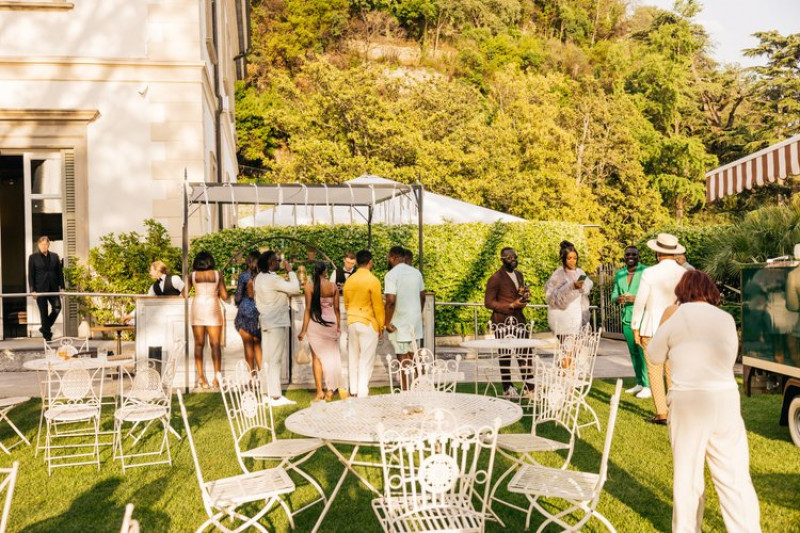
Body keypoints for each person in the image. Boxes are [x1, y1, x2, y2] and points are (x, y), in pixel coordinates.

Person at [647, 271, 761, 533]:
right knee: (734, 476)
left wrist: (666, 320)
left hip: (689, 402)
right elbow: (729, 355)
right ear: (710, 292)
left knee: (688, 475)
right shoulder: (726, 318)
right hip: (725, 399)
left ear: (682, 292)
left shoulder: (676, 317)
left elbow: (654, 355)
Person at [631, 233, 687, 425]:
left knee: (654, 370)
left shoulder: (649, 273)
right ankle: (675, 411)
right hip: (676, 327)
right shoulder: (683, 273)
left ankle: (662, 413)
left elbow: (640, 302)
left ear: (657, 252)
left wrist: (635, 327)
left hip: (652, 327)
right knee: (673, 371)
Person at [484, 247, 533, 399]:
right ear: (502, 260)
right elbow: (488, 303)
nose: (513, 260)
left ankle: (529, 388)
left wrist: (524, 297)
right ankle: (507, 389)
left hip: (519, 320)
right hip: (502, 321)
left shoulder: (519, 275)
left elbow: (517, 295)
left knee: (525, 354)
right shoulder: (495, 278)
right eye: (510, 258)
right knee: (505, 357)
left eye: (515, 257)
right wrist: (511, 305)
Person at [253, 251, 300, 406]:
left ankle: (265, 393)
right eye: (277, 260)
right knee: (275, 360)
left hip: (265, 321)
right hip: (276, 322)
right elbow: (295, 288)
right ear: (271, 263)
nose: (279, 262)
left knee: (267, 359)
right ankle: (275, 396)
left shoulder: (259, 278)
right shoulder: (273, 279)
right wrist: (291, 271)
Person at [298, 262, 344, 402]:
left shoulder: (309, 287)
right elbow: (337, 309)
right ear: (324, 272)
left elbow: (308, 309)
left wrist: (303, 331)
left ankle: (319, 392)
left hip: (315, 324)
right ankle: (330, 390)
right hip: (330, 323)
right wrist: (338, 326)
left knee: (316, 358)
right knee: (331, 356)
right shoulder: (333, 286)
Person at [343, 250, 385, 398]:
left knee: (353, 357)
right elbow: (378, 306)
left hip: (352, 321)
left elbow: (346, 303)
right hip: (367, 322)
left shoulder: (350, 280)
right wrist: (381, 325)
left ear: (357, 262)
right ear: (370, 262)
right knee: (366, 359)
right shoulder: (373, 280)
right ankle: (362, 392)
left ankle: (354, 391)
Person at [610, 246, 651, 399]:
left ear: (638, 256)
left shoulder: (646, 271)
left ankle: (647, 386)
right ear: (624, 256)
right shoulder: (620, 274)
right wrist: (617, 299)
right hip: (627, 318)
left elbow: (652, 294)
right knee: (633, 353)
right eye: (628, 254)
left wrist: (637, 298)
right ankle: (639, 382)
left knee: (642, 352)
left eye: (634, 254)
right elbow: (614, 294)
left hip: (642, 318)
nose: (631, 257)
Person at [384, 246, 426, 388]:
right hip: (414, 320)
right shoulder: (416, 273)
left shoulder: (391, 275)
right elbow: (422, 296)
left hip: (398, 321)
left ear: (392, 257)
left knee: (401, 356)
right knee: (415, 355)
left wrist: (386, 322)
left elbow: (390, 301)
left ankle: (405, 389)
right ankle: (422, 385)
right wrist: (417, 313)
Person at [187, 251, 227, 389]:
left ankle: (201, 377)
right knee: (215, 344)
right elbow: (225, 295)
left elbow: (184, 293)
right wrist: (217, 291)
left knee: (198, 344)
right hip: (212, 308)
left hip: (198, 307)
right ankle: (217, 377)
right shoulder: (218, 274)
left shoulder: (192, 275)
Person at [545, 241, 593, 337]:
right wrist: (571, 287)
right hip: (561, 314)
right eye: (569, 258)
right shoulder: (558, 275)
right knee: (566, 342)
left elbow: (587, 287)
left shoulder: (580, 272)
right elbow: (551, 298)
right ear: (564, 259)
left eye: (575, 258)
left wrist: (582, 287)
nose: (572, 261)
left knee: (576, 343)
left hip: (576, 313)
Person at [28, 236, 65, 341]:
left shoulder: (55, 256)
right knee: (43, 312)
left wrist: (62, 287)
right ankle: (47, 336)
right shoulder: (33, 257)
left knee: (57, 308)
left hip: (53, 288)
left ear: (48, 244)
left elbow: (59, 273)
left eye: (45, 244)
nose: (44, 246)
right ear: (39, 245)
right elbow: (31, 275)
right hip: (40, 289)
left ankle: (44, 328)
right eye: (42, 244)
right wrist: (32, 290)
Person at [234, 251, 262, 371]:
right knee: (257, 345)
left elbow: (238, 297)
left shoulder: (244, 276)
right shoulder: (263, 277)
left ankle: (252, 376)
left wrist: (237, 301)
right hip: (259, 313)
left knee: (248, 346)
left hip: (245, 314)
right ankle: (262, 376)